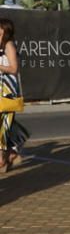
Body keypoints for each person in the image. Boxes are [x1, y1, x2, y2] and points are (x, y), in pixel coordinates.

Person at [0, 17, 24, 171]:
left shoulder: (9, 45)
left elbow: (14, 69)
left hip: (7, 92)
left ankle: (4, 158)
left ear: (5, 30)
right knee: (4, 126)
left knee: (3, 126)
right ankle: (12, 151)